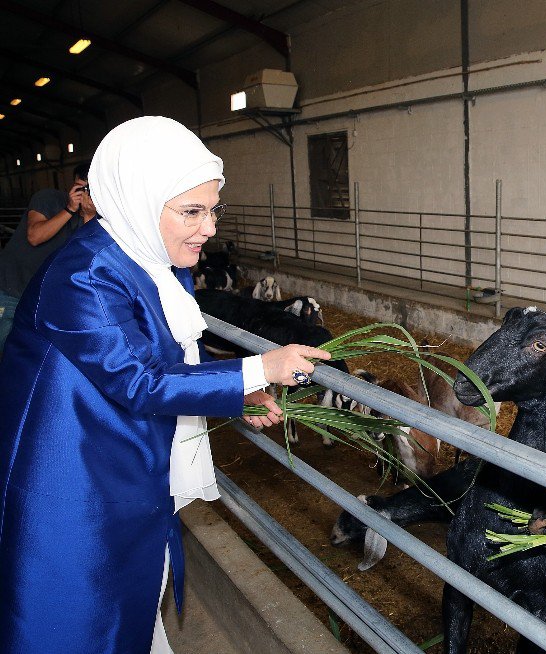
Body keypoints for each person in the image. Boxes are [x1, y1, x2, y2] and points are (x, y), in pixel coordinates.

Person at [0, 116, 330, 654]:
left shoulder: (153, 257)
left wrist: (235, 394)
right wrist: (258, 368)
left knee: (126, 601)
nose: (209, 229)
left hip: (116, 461)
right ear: (136, 197)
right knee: (73, 615)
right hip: (68, 477)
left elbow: (174, 354)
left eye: (212, 209)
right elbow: (140, 380)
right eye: (192, 212)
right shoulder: (84, 274)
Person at [0, 161, 97, 354]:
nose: (86, 194)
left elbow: (84, 254)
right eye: (82, 187)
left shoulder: (91, 218)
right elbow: (35, 236)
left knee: (30, 353)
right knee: (5, 346)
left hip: (42, 297)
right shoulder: (49, 198)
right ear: (74, 183)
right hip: (12, 287)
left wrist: (88, 215)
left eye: (91, 189)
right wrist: (69, 209)